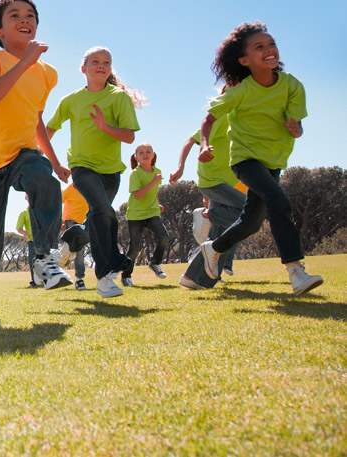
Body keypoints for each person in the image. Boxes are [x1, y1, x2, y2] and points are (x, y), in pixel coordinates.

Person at [0, 0, 71, 315]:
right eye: (14, 15)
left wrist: (54, 161)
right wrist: (24, 63)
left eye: (30, 15)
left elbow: (35, 118)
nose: (25, 19)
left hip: (24, 150)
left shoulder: (47, 74)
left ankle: (45, 259)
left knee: (43, 179)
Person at [196, 22, 322, 294]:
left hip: (273, 161)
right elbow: (208, 119)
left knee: (250, 223)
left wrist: (297, 128)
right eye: (259, 47)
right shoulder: (240, 91)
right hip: (245, 159)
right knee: (277, 199)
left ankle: (214, 249)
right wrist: (203, 145)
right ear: (244, 60)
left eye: (271, 43)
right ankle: (296, 271)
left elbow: (296, 123)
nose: (269, 49)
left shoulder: (292, 86)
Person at [46, 46, 141, 298]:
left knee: (99, 218)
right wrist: (54, 162)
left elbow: (129, 136)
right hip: (82, 166)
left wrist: (105, 126)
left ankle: (72, 241)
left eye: (106, 62)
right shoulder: (71, 100)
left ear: (110, 69)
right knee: (103, 211)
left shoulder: (118, 98)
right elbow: (49, 130)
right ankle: (105, 276)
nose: (101, 65)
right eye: (95, 61)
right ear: (83, 69)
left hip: (111, 172)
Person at [170, 113, 247, 277]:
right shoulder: (223, 118)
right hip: (213, 181)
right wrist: (180, 167)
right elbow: (190, 140)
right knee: (247, 214)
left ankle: (197, 277)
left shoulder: (243, 121)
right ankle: (207, 215)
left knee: (221, 231)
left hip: (229, 182)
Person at [121, 143, 169, 285]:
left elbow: (154, 191)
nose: (145, 154)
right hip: (136, 215)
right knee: (134, 249)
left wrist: (157, 203)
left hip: (152, 212)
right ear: (136, 157)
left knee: (164, 237)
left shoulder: (157, 171)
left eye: (148, 151)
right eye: (141, 152)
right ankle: (126, 276)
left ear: (153, 155)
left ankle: (155, 263)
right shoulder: (135, 173)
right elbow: (137, 195)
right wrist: (154, 181)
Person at [61, 183, 89, 290]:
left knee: (79, 250)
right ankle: (79, 280)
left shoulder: (88, 187)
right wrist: (61, 221)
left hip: (84, 222)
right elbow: (58, 202)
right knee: (78, 249)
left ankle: (78, 278)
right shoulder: (68, 189)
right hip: (70, 220)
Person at [15, 196, 39, 287]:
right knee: (32, 260)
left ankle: (46, 279)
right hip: (31, 240)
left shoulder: (42, 210)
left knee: (44, 259)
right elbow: (19, 228)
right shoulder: (24, 213)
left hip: (43, 239)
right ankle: (34, 280)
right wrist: (24, 232)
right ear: (26, 198)